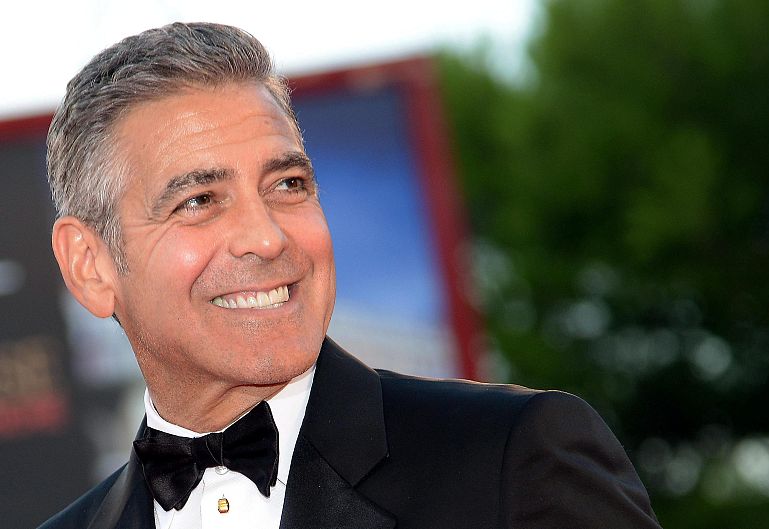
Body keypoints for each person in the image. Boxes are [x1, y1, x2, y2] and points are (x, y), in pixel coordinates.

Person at [39, 22, 661, 529]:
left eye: (288, 185)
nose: (267, 237)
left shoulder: (513, 461)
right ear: (90, 266)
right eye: (199, 201)